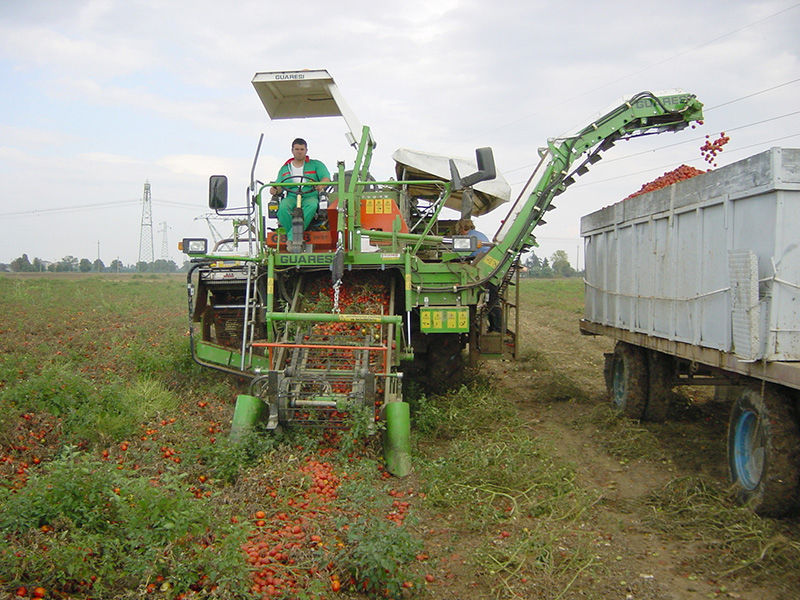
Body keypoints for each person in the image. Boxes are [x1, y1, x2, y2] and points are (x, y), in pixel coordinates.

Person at [270, 138, 331, 241]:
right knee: (283, 208)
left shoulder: (316, 165)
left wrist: (322, 185)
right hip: (292, 196)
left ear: (306, 150)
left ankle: (291, 238)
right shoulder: (285, 168)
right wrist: (274, 190)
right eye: (297, 149)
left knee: (312, 206)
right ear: (292, 150)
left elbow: (326, 178)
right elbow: (279, 186)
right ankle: (296, 236)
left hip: (310, 195)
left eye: (302, 149)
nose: (299, 152)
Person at [455, 219, 502, 332]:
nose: (459, 233)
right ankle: (494, 327)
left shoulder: (468, 238)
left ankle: (497, 328)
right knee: (491, 298)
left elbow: (460, 255)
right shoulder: (479, 235)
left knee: (491, 299)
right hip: (492, 267)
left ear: (462, 228)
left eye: (459, 230)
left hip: (485, 269)